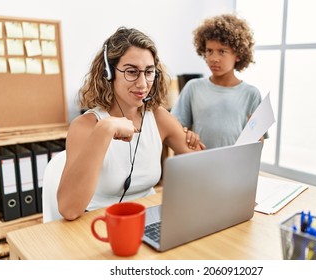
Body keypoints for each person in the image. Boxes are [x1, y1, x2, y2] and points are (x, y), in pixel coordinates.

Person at [57, 27, 204, 221]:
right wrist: (105, 129)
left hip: (149, 219)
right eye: (132, 72)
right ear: (108, 73)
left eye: (149, 72)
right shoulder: (85, 126)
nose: (143, 84)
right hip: (97, 224)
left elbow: (206, 169)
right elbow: (69, 210)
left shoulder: (158, 117)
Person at [171, 13, 267, 149]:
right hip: (201, 162)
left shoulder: (251, 94)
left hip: (235, 165)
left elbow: (258, 144)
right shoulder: (193, 88)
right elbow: (175, 126)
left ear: (238, 55)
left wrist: (256, 136)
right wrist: (187, 134)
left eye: (222, 51)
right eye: (209, 51)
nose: (213, 58)